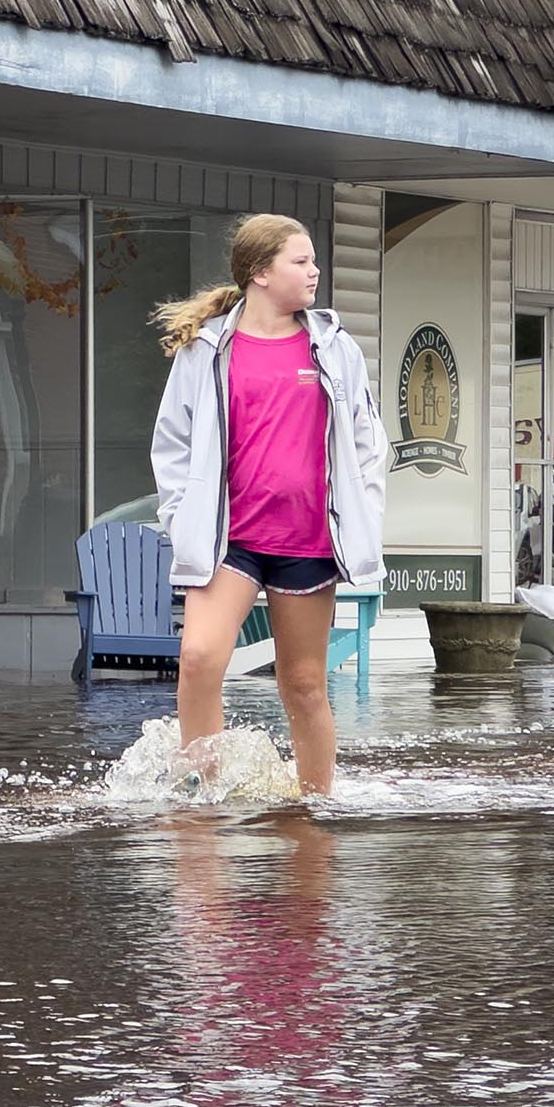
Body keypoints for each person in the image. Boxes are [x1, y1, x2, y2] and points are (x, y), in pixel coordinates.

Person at [149, 214, 386, 795]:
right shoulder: (207, 350)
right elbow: (172, 444)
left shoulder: (334, 348)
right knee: (200, 658)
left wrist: (361, 520)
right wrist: (181, 518)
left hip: (308, 542)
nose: (315, 271)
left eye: (313, 260)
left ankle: (316, 807)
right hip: (230, 540)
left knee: (303, 684)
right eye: (300, 261)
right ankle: (205, 795)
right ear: (260, 272)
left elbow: (367, 442)